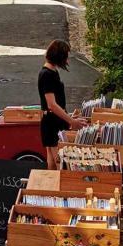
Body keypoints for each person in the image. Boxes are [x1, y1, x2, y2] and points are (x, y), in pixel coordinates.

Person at [38, 39, 87, 169]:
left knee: (53, 161)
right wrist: (72, 121)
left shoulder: (52, 72)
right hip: (52, 122)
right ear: (59, 56)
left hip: (54, 121)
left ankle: (51, 186)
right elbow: (52, 105)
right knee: (60, 162)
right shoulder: (47, 75)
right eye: (66, 57)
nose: (67, 60)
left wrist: (69, 117)